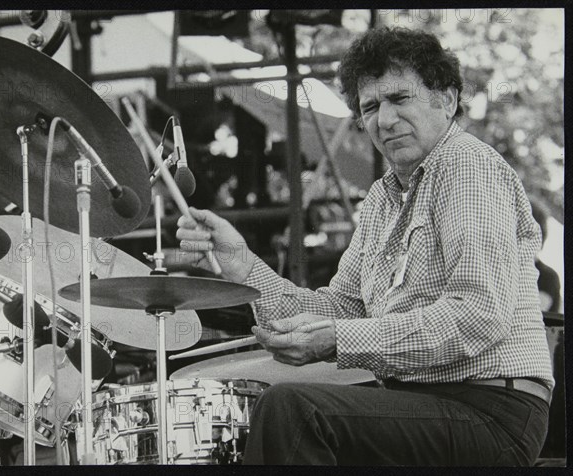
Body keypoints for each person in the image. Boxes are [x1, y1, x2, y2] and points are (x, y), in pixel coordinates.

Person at [176, 27, 554, 466]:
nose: (384, 120)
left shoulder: (464, 164)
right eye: (370, 107)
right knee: (281, 408)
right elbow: (343, 309)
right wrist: (241, 266)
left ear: (447, 100)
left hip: (491, 411)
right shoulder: (381, 198)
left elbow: (476, 315)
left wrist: (337, 340)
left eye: (399, 99)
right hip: (425, 403)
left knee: (293, 412)